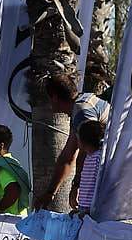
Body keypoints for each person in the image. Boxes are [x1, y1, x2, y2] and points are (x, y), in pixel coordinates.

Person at [42, 75, 113, 213]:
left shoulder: (82, 111)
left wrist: (77, 185)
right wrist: (50, 193)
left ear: (55, 97)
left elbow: (86, 151)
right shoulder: (81, 104)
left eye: (49, 98)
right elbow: (67, 156)